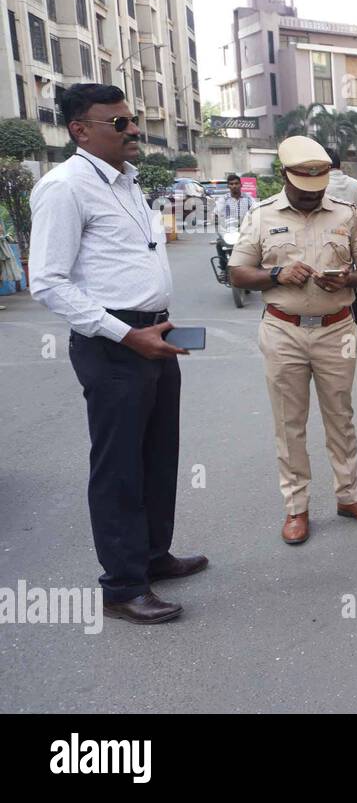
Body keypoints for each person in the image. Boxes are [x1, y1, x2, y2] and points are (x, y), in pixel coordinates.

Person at [29, 82, 206, 624]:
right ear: (80, 130)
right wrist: (125, 334)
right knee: (119, 468)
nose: (133, 131)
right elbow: (49, 281)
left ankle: (152, 556)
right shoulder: (64, 187)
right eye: (119, 123)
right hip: (115, 345)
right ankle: (123, 585)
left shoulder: (128, 182)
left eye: (132, 121)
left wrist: (153, 329)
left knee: (158, 455)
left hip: (157, 336)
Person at [229, 136, 357, 545]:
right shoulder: (262, 215)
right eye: (303, 191)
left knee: (341, 416)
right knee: (290, 424)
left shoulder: (346, 213)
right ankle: (296, 508)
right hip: (283, 329)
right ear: (285, 176)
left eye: (317, 190)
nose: (310, 198)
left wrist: (348, 278)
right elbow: (237, 273)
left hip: (337, 328)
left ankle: (350, 497)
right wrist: (276, 275)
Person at [325, 148, 357, 346]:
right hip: (353, 239)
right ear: (340, 165)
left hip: (328, 241)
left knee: (326, 285)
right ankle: (355, 336)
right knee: (351, 286)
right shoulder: (356, 184)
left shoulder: (321, 184)